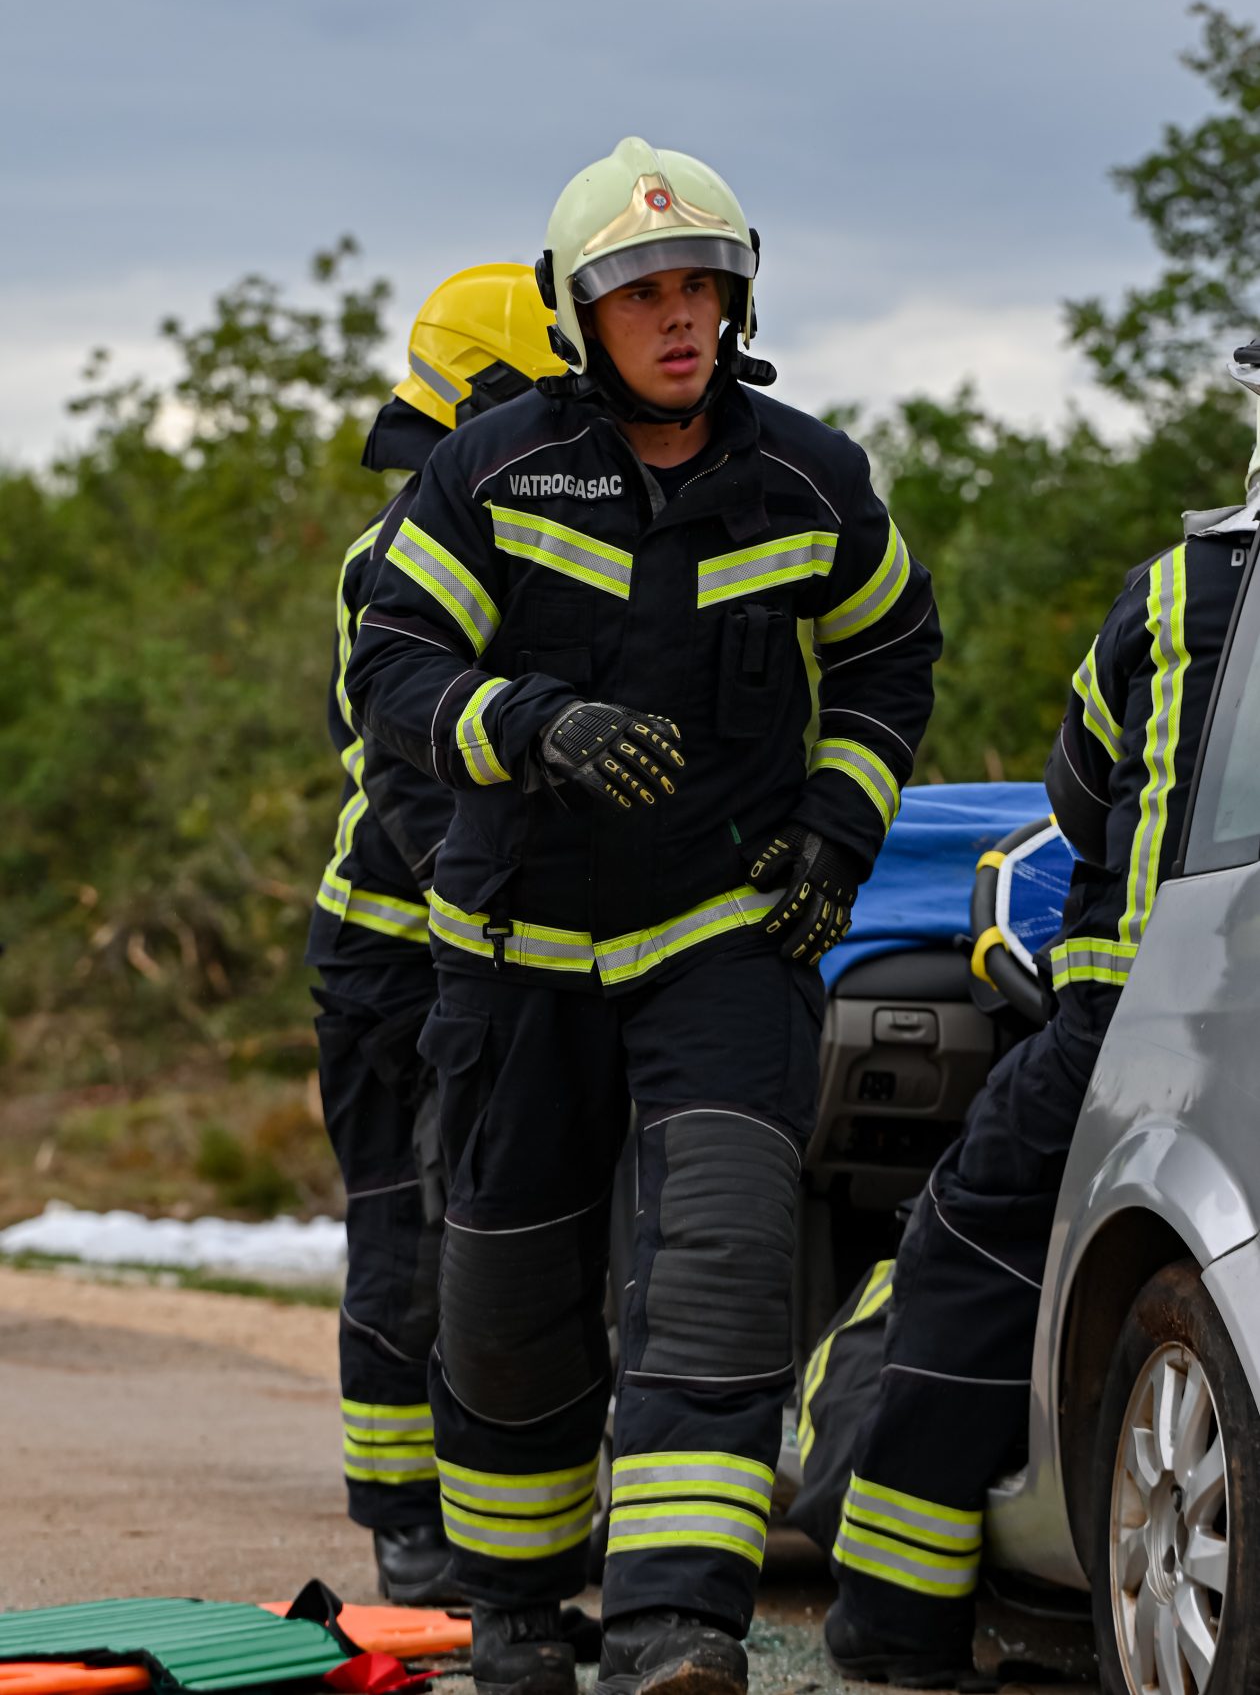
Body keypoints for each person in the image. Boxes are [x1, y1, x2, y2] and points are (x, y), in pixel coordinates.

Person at [345, 136, 940, 1695]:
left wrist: (839, 819)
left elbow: (890, 658)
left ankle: (681, 1628)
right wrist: (529, 723)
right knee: (510, 1310)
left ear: (737, 304)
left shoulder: (809, 476)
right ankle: (524, 1613)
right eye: (640, 293)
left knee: (722, 1269)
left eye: (701, 289)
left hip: (720, 947)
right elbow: (392, 668)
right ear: (575, 311)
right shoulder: (491, 471)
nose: (677, 319)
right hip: (513, 956)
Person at [824, 420, 1260, 1686]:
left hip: (1126, 1011)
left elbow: (1075, 796)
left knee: (959, 1250)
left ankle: (894, 1625)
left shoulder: (1178, 591)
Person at [308, 265, 564, 1603]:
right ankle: (408, 1525)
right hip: (398, 953)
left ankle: (502, 1511)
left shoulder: (542, 531)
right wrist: (485, 927)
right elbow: (409, 780)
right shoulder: (403, 547)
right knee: (411, 1235)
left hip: (506, 946)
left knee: (507, 1231)